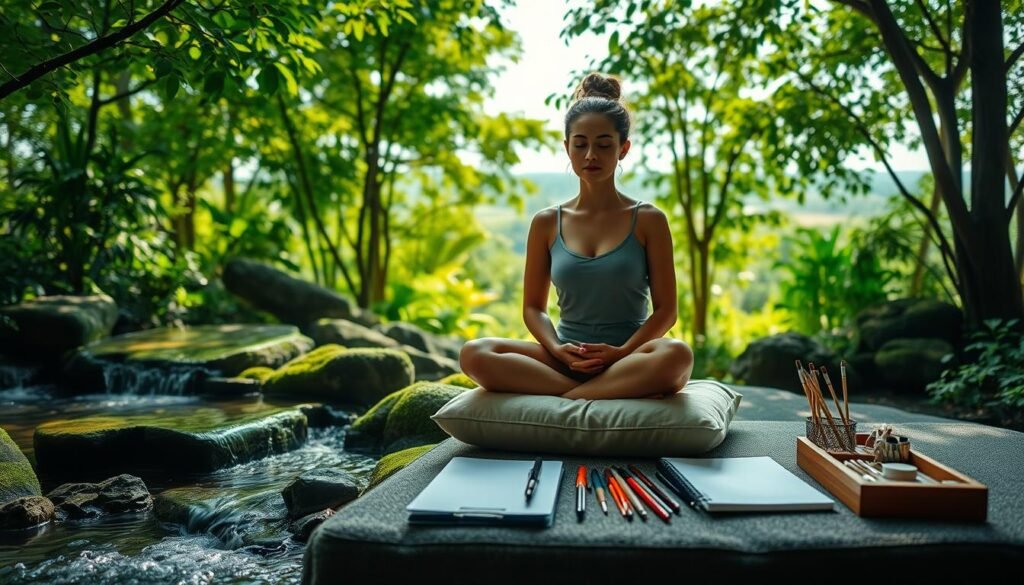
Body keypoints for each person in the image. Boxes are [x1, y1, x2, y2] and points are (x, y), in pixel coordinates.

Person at [460, 72, 693, 400]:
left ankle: (570, 400)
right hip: (565, 358)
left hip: (630, 359)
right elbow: (532, 308)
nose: (590, 156)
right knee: (474, 353)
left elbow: (666, 311)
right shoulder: (546, 223)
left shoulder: (649, 220)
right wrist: (557, 348)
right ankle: (593, 394)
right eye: (580, 144)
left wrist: (622, 352)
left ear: (623, 149)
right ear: (566, 147)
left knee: (678, 355)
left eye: (603, 145)